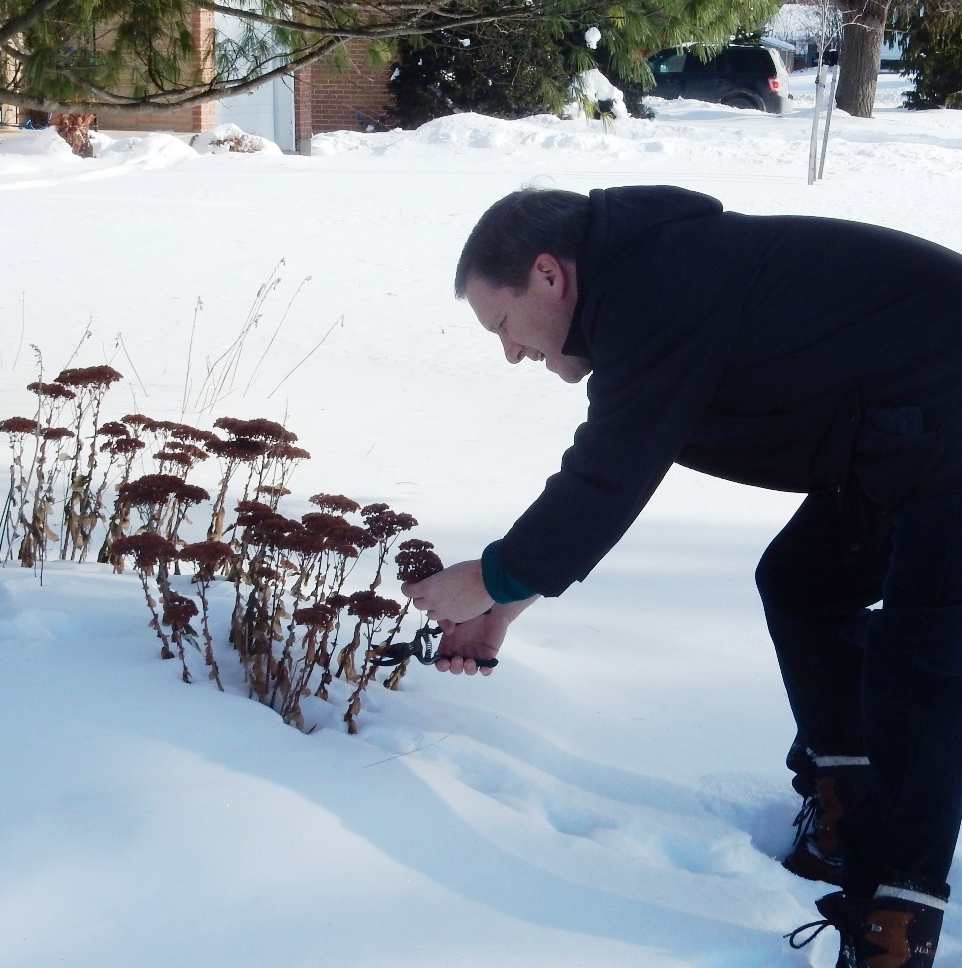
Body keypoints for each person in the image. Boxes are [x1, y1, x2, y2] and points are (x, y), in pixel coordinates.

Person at [400, 185, 962, 967]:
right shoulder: (651, 285)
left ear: (549, 275)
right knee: (804, 580)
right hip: (901, 438)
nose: (510, 352)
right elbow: (625, 462)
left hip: (942, 427)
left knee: (920, 664)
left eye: (502, 323)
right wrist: (510, 601)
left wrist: (492, 577)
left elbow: (610, 474)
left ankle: (892, 929)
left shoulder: (658, 280)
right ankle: (846, 803)